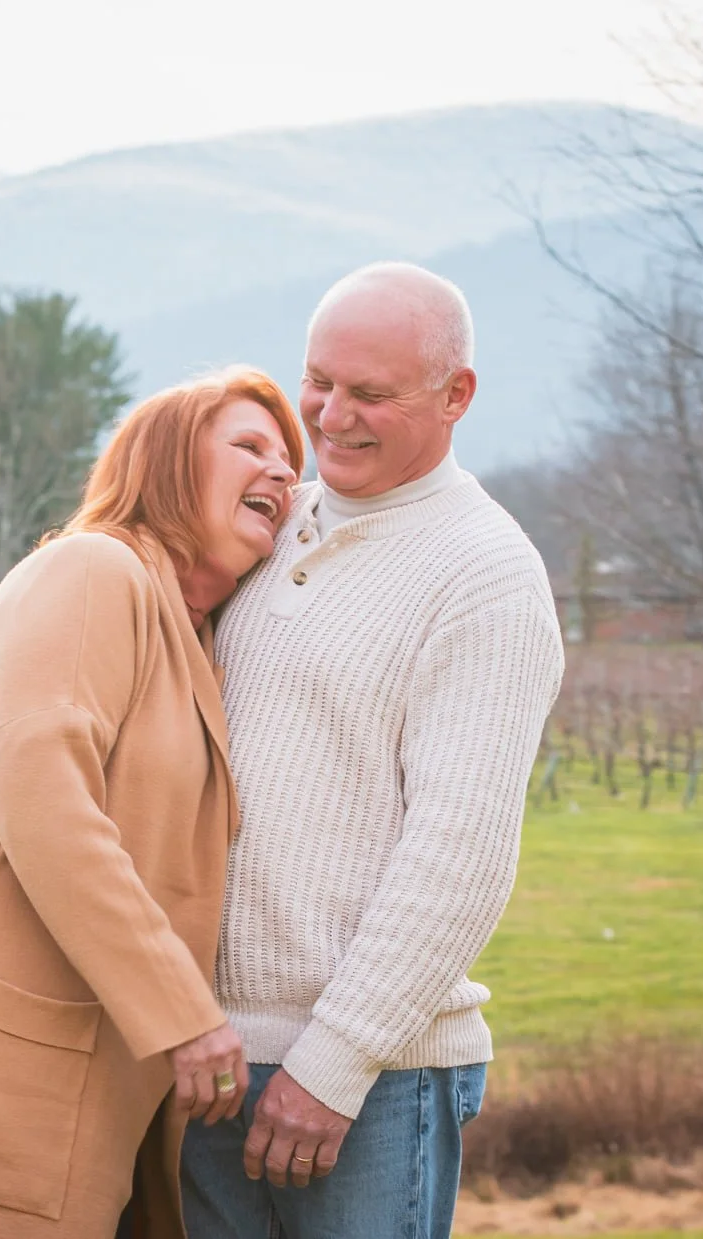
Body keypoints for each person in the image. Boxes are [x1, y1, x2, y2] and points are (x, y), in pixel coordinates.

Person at [0, 367, 302, 1239]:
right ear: (170, 462)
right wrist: (183, 1010)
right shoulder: (92, 569)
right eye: (251, 446)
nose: (283, 474)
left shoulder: (186, 634)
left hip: (70, 1053)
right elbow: (45, 793)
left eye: (290, 463)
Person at [182, 263, 566, 1238]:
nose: (330, 413)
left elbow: (460, 851)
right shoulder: (269, 530)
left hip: (368, 1078)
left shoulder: (485, 576)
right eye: (319, 381)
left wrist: (334, 1064)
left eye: (371, 394)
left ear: (456, 396)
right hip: (207, 1063)